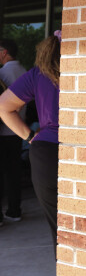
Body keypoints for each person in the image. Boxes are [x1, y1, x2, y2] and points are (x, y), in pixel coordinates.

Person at [0, 32, 60, 249]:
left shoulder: (39, 74)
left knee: (59, 230)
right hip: (83, 148)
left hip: (46, 151)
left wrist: (30, 136)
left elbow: (3, 106)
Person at [0, 39, 27, 226]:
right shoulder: (24, 71)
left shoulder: (3, 72)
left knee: (3, 174)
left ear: (4, 52)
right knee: (14, 172)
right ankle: (15, 210)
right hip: (20, 130)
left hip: (4, 130)